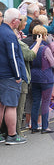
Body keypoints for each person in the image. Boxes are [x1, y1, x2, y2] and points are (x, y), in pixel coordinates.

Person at [0, 8, 28, 145]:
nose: (20, 22)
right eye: (20, 19)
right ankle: (11, 136)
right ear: (14, 21)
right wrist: (18, 75)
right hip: (9, 76)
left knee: (0, 106)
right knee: (11, 106)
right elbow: (13, 57)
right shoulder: (9, 35)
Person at [29, 25, 54, 134]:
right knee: (45, 102)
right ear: (43, 35)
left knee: (36, 102)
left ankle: (34, 126)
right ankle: (45, 127)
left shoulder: (31, 48)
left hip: (34, 77)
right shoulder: (46, 49)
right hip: (46, 78)